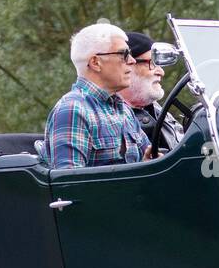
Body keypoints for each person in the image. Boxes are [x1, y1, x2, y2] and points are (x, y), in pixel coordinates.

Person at [43, 23, 151, 169]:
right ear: (95, 62)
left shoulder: (124, 110)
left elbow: (147, 164)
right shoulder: (73, 109)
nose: (132, 61)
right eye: (123, 54)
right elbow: (69, 185)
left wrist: (147, 164)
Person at [121, 31, 184, 153]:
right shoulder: (108, 117)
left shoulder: (159, 111)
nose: (161, 72)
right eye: (152, 63)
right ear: (128, 65)